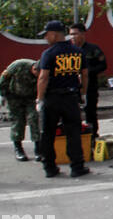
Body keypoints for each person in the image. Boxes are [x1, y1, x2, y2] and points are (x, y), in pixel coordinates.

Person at [36, 20, 89, 179]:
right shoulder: (77, 52)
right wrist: (84, 94)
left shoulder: (49, 53)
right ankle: (77, 167)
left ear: (54, 34)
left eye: (46, 35)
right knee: (73, 132)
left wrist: (39, 99)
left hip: (52, 98)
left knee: (48, 134)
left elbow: (43, 78)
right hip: (71, 98)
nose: (46, 38)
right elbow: (85, 74)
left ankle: (50, 168)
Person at [0, 57, 41, 162]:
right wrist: (1, 94)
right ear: (34, 69)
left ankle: (38, 149)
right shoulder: (19, 65)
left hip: (31, 97)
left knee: (34, 119)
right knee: (18, 122)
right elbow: (4, 77)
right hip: (14, 96)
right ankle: (18, 149)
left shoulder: (43, 71)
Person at [68, 22, 107, 138]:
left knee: (90, 113)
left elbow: (103, 65)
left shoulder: (93, 49)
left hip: (90, 86)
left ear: (83, 34)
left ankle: (93, 136)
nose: (72, 37)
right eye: (70, 34)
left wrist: (88, 72)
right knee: (72, 114)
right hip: (73, 87)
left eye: (75, 34)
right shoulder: (69, 50)